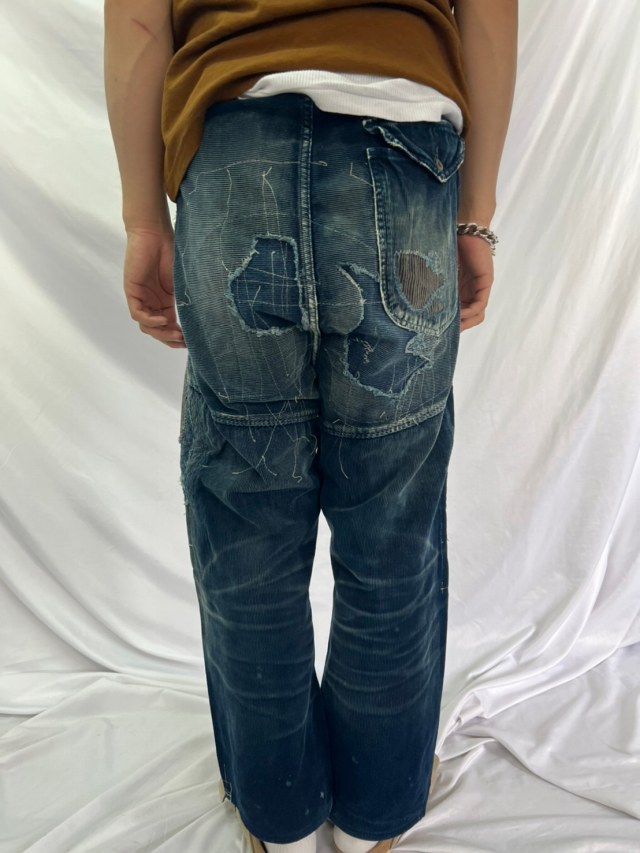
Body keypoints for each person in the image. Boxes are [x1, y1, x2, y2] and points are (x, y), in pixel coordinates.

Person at [104, 2, 518, 851]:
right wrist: (474, 217)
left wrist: (145, 219)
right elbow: (489, 11)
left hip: (233, 157)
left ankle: (281, 818)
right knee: (392, 524)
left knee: (246, 524)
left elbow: (140, 23)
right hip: (405, 157)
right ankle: (374, 816)